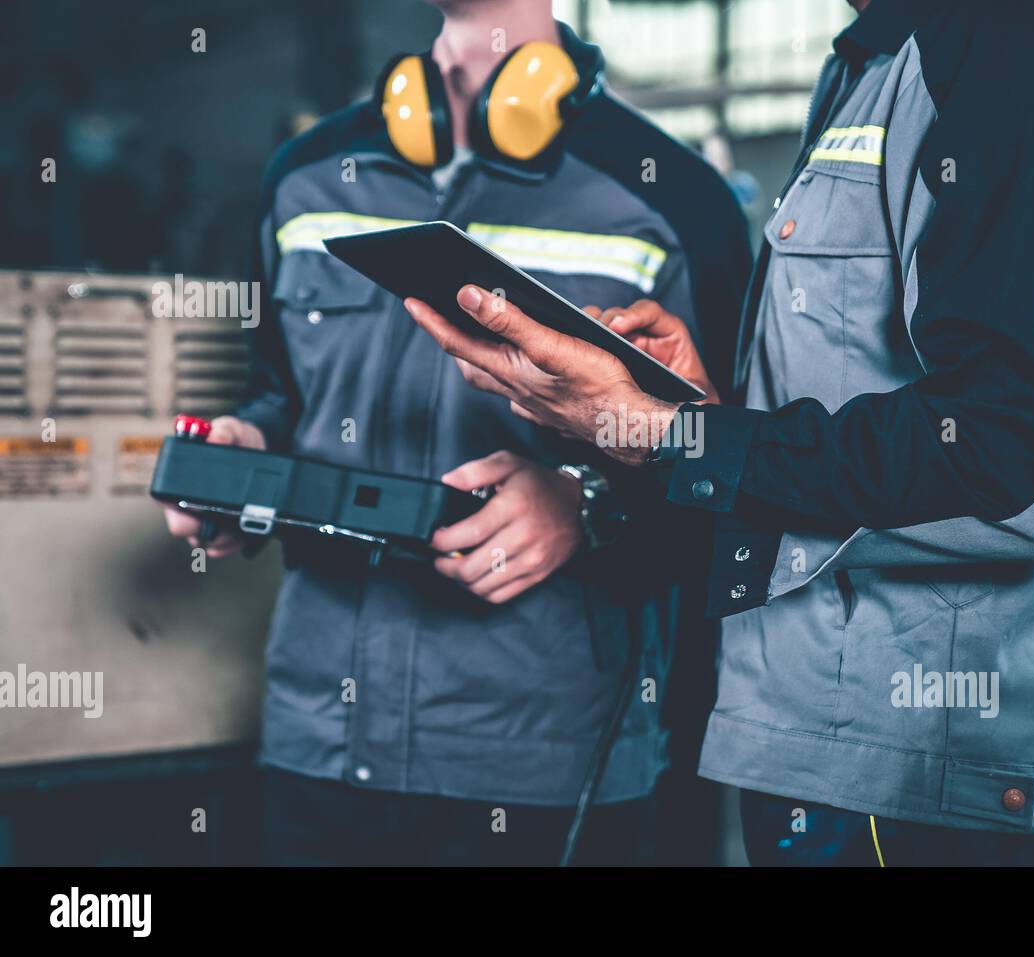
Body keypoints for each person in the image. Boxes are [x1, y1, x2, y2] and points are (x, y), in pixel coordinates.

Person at [405, 0, 1034, 866]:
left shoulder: (1004, 41)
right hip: (824, 757)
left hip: (932, 787)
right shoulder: (873, 65)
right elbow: (863, 399)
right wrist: (702, 408)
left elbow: (1013, 456)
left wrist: (672, 434)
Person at [160, 0, 750, 865]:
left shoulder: (671, 197)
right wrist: (245, 453)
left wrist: (586, 506)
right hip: (317, 741)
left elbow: (735, 480)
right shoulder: (308, 175)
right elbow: (282, 394)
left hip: (547, 766)